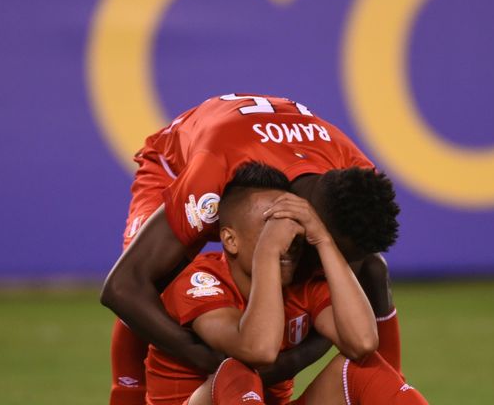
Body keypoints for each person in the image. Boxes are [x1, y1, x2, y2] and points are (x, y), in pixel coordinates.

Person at [101, 94, 403, 404]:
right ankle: (127, 395)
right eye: (324, 254)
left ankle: (391, 385)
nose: (323, 269)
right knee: (157, 280)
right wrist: (215, 361)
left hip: (257, 142)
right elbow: (122, 288)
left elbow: (341, 313)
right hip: (179, 165)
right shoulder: (214, 176)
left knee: (370, 271)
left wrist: (284, 364)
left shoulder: (358, 181)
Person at [145, 162, 427, 404]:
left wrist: (323, 240)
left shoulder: (303, 284)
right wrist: (268, 251)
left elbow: (363, 343)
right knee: (234, 370)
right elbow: (258, 350)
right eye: (270, 225)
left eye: (293, 225)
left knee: (360, 368)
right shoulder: (200, 280)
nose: (287, 239)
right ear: (230, 240)